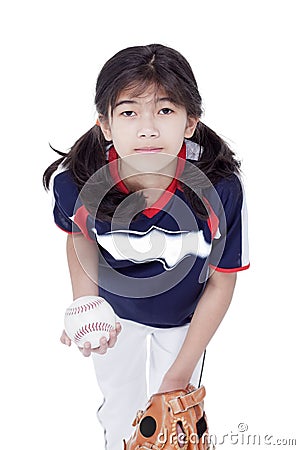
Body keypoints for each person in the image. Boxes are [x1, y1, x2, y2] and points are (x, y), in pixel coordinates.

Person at [43, 43, 249, 450]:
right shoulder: (77, 182)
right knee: (121, 412)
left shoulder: (221, 189)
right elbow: (80, 234)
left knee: (173, 420)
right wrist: (85, 302)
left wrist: (177, 378)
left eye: (166, 110)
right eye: (129, 112)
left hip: (184, 317)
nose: (148, 128)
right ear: (105, 124)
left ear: (191, 122)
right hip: (117, 316)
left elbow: (222, 283)